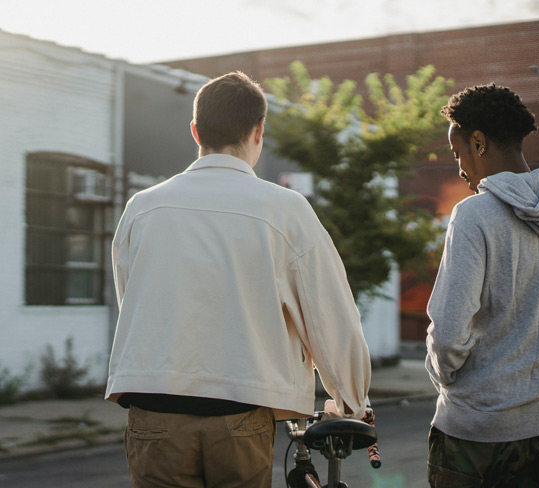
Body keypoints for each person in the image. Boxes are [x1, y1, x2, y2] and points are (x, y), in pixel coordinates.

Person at [105, 71, 371, 488]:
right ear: (259, 131)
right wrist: (351, 403)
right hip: (239, 413)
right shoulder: (285, 209)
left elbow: (134, 303)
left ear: (196, 131)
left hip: (153, 412)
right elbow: (331, 317)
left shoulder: (142, 208)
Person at [425, 84, 539, 487]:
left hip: (475, 439)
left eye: (458, 154)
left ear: (478, 141)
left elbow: (450, 334)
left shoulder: (473, 215)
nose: (459, 168)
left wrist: (449, 385)